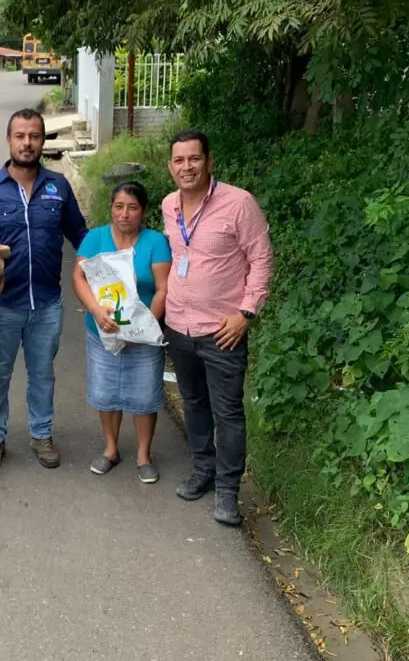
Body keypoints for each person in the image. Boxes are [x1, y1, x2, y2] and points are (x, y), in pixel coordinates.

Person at [0, 108, 89, 473]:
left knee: (42, 373)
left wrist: (108, 265)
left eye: (34, 135)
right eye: (20, 135)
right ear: (9, 140)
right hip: (0, 304)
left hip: (47, 303)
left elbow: (80, 235)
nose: (27, 142)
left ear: (42, 140)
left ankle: (41, 433)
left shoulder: (59, 187)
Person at [161, 129, 274, 526]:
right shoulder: (168, 205)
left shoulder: (239, 203)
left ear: (209, 162)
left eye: (194, 159)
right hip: (179, 324)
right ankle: (203, 470)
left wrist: (246, 313)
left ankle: (228, 491)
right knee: (193, 403)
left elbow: (261, 260)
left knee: (227, 413)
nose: (186, 167)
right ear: (170, 166)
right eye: (179, 160)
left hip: (223, 330)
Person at [72, 181, 171, 484]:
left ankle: (143, 454)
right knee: (106, 393)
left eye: (132, 207)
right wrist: (96, 311)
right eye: (119, 206)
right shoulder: (95, 238)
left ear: (143, 211)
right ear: (111, 208)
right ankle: (111, 449)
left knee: (144, 395)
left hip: (143, 335)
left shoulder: (155, 242)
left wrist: (143, 327)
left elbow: (163, 288)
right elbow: (80, 278)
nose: (125, 214)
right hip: (102, 331)